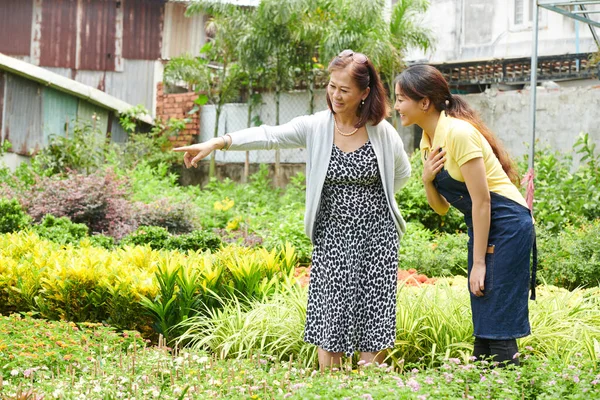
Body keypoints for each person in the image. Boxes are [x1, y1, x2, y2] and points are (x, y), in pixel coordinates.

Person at [174, 50, 411, 371]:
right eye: (332, 86)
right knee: (332, 324)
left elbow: (401, 173)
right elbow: (269, 134)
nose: (336, 95)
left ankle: (369, 390)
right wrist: (218, 142)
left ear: (365, 93)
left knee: (375, 323)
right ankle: (331, 391)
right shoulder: (316, 126)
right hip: (333, 239)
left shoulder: (382, 132)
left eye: (345, 90)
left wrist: (373, 206)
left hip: (378, 240)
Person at [394, 64, 536, 366]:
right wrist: (426, 179)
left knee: (496, 316)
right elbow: (441, 208)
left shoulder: (458, 133)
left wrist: (480, 261)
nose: (396, 107)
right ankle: (485, 384)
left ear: (424, 102)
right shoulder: (427, 141)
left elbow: (482, 201)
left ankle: (512, 383)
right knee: (484, 313)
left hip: (507, 223)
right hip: (484, 225)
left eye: (401, 99)